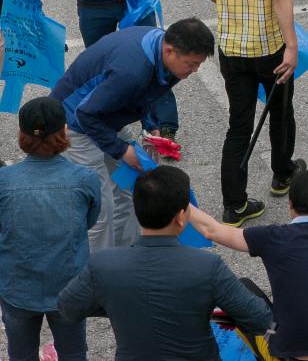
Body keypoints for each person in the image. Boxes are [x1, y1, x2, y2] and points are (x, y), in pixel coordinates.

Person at [58, 166, 274, 356]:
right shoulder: (207, 266)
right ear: (181, 218)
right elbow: (260, 319)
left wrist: (119, 305)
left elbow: (68, 307)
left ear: (136, 210)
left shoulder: (103, 265)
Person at [199, 0, 303, 228]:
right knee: (281, 111)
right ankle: (282, 173)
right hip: (270, 45)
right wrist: (291, 43)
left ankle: (235, 203)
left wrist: (233, 6)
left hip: (230, 46)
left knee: (239, 125)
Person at [50, 19, 215, 250]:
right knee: (101, 209)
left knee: (128, 191)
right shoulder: (131, 71)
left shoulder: (163, 50)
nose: (194, 70)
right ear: (170, 51)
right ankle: (103, 273)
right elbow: (85, 114)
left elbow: (148, 92)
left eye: (198, 64)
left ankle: (125, 256)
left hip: (107, 114)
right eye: (191, 64)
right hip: (76, 124)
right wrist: (121, 150)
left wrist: (151, 127)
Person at [186, 167, 308, 360]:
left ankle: (266, 346)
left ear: (290, 203)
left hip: (286, 354)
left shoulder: (272, 237)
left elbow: (212, 231)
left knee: (243, 286)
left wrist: (180, 200)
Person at [0, 96, 99, 361]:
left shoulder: (3, 181)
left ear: (22, 135)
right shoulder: (85, 179)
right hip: (69, 287)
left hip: (16, 287)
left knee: (20, 355)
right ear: (63, 132)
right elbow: (89, 221)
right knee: (74, 353)